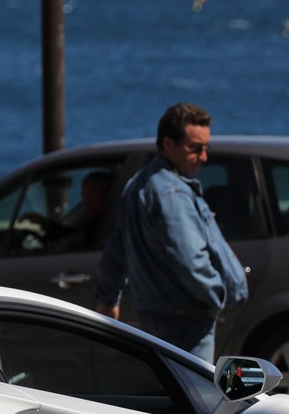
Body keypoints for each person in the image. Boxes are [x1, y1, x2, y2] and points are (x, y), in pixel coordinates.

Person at [95, 102, 248, 362]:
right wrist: (216, 298)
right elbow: (190, 259)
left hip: (156, 314)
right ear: (168, 144)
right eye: (195, 149)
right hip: (186, 321)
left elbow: (117, 248)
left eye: (206, 148)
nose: (204, 157)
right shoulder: (171, 194)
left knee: (172, 395)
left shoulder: (139, 184)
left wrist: (108, 298)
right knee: (196, 398)